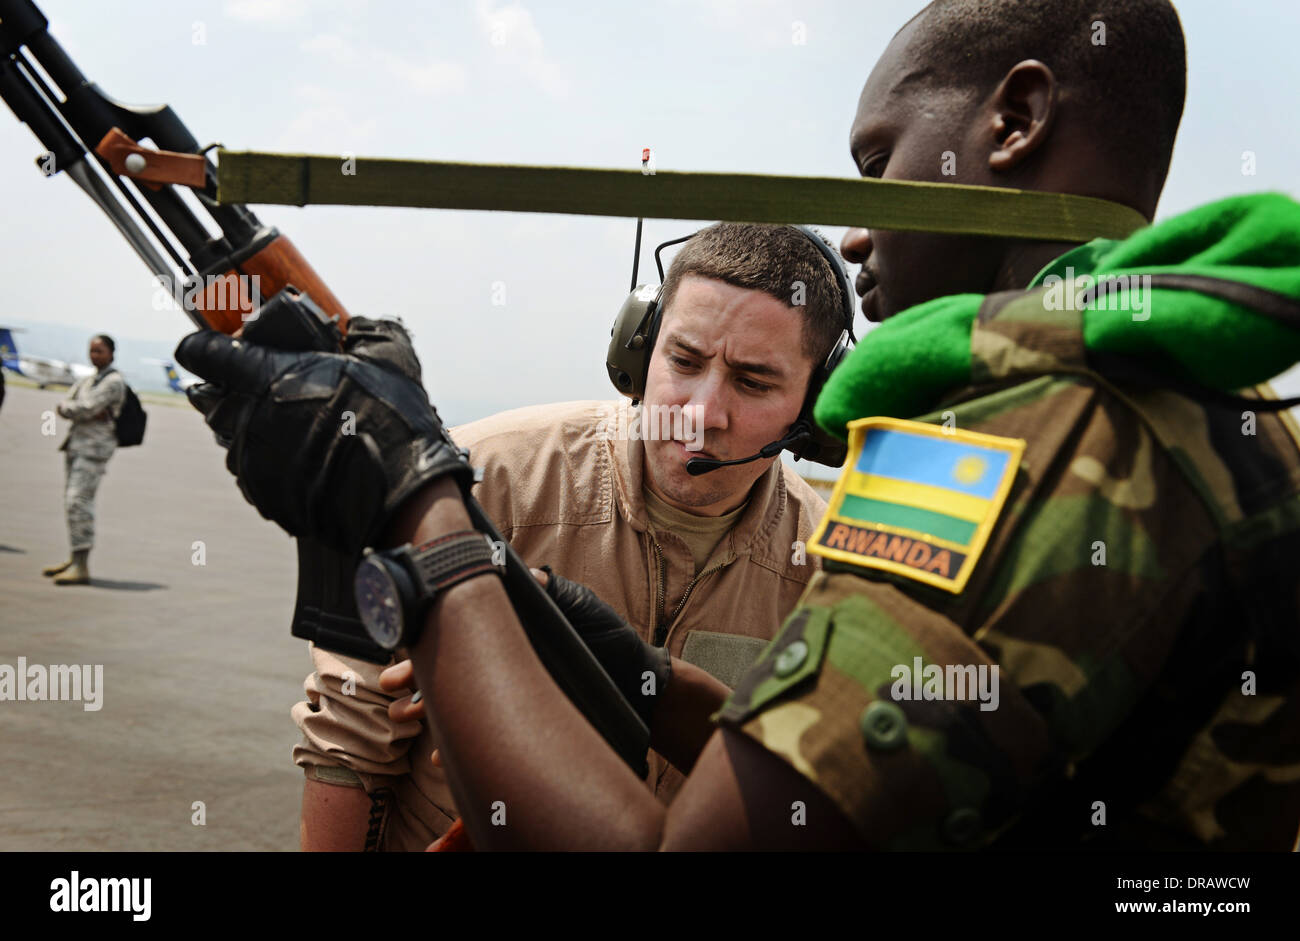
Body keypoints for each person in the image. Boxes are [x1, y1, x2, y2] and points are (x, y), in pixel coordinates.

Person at [178, 0, 1300, 850]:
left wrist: (424, 516)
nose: (860, 233)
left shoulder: (1016, 440)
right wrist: (635, 669)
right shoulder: (1196, 396)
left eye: (879, 161)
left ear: (1012, 121)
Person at [289, 223, 851, 850]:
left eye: (753, 382)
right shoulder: (478, 477)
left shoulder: (833, 571)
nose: (699, 412)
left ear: (815, 408)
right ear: (640, 351)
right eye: (683, 361)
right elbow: (347, 740)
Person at [43, 334, 125, 586]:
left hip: (94, 450)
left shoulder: (113, 382)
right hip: (76, 446)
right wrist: (76, 409)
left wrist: (74, 409)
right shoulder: (88, 380)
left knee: (78, 501)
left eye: (99, 351)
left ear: (111, 353)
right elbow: (73, 405)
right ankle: (75, 557)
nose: (94, 355)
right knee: (72, 503)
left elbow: (82, 407)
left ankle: (81, 564)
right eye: (91, 351)